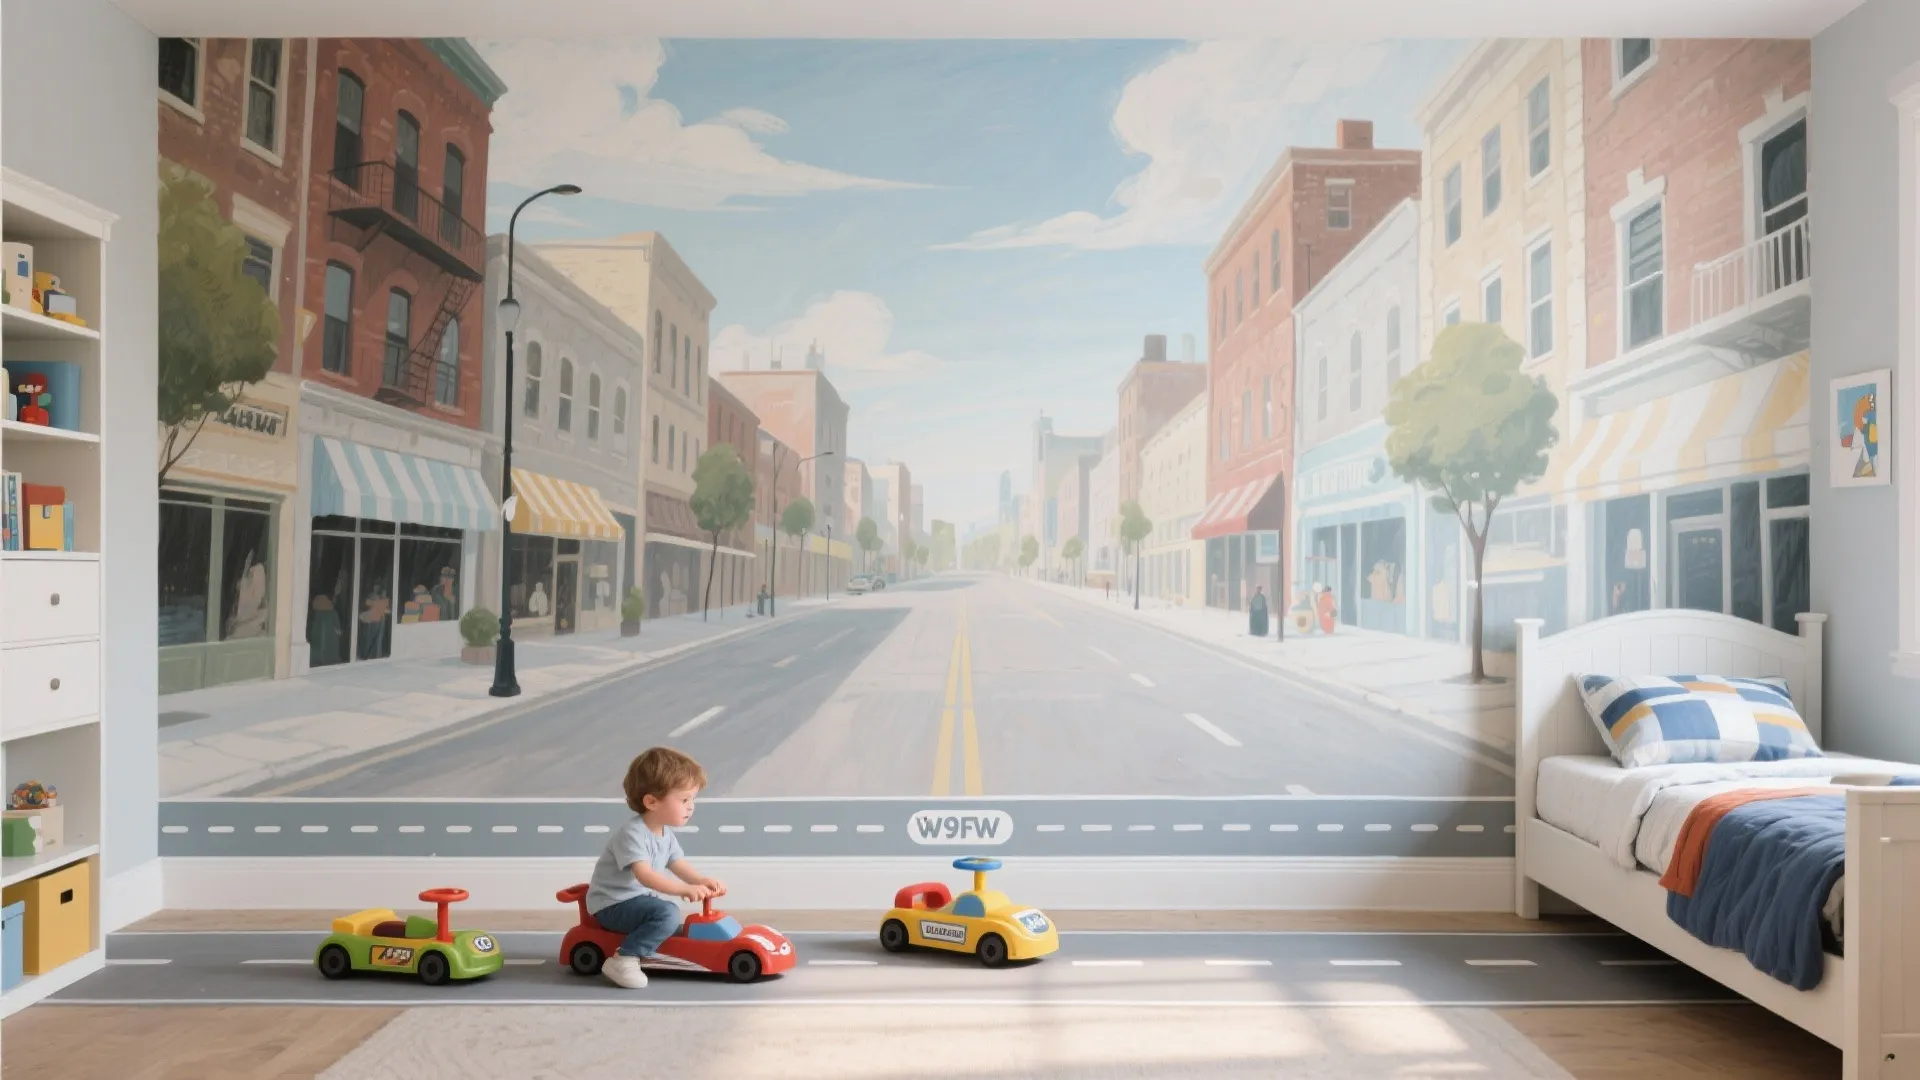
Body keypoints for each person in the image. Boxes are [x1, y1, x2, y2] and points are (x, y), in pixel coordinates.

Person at [586, 746, 727, 989]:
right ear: (651, 802)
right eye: (684, 800)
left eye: (692, 799)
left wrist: (699, 880)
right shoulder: (632, 834)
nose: (691, 806)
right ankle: (624, 958)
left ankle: (651, 947)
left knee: (671, 919)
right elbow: (645, 876)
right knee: (667, 913)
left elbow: (676, 862)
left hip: (634, 899)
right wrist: (682, 889)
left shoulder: (664, 833)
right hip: (612, 904)